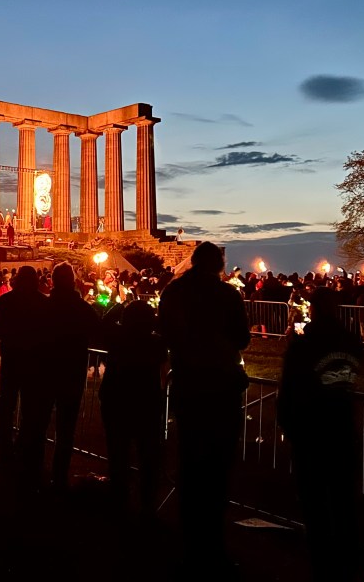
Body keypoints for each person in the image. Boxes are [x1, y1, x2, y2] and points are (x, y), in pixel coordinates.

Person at [158, 241, 250, 578]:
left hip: (188, 383)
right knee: (217, 467)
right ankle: (212, 544)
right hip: (220, 386)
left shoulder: (174, 292)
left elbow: (165, 332)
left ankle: (189, 543)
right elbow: (242, 338)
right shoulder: (227, 295)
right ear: (219, 264)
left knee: (190, 462)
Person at [277, 286, 363, 582]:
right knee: (341, 495)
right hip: (340, 423)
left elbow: (289, 385)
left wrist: (286, 419)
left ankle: (323, 559)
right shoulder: (350, 340)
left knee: (315, 498)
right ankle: (346, 554)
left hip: (312, 425)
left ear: (314, 309)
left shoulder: (305, 346)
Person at [16, 262, 98, 492]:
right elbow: (99, 333)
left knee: (38, 423)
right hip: (71, 373)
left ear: (52, 281)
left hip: (43, 371)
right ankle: (59, 476)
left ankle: (33, 472)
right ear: (73, 281)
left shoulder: (42, 306)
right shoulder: (82, 308)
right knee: (66, 428)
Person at [99, 300, 167, 518]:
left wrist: (118, 306)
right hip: (146, 403)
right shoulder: (155, 343)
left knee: (118, 453)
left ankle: (119, 496)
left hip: (116, 400)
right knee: (148, 456)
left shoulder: (117, 338)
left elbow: (104, 324)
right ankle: (147, 503)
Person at [0, 265, 49, 466]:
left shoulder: (6, 300)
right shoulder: (43, 302)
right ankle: (25, 448)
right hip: (35, 361)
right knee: (31, 407)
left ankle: (5, 451)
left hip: (12, 359)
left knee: (6, 406)